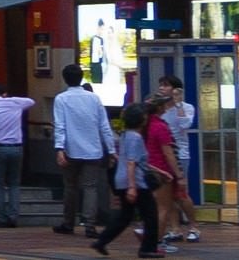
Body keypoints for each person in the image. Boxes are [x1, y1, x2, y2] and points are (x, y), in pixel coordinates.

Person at [53, 64, 117, 238]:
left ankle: (68, 223)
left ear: (65, 78)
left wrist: (59, 148)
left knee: (70, 187)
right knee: (91, 187)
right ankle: (90, 225)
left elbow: (60, 126)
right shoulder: (94, 99)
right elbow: (104, 126)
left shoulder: (61, 99)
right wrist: (111, 150)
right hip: (93, 150)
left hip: (70, 150)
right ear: (82, 78)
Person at [91, 102, 162, 258]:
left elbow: (134, 160)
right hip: (136, 182)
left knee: (125, 216)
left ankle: (102, 240)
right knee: (150, 214)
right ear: (141, 120)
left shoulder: (125, 135)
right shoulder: (136, 137)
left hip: (121, 180)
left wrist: (160, 171)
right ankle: (148, 248)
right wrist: (132, 187)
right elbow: (132, 162)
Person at [0, 82, 35, 227]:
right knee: (14, 184)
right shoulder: (15, 104)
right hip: (17, 148)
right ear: (5, 94)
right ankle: (13, 216)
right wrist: (10, 99)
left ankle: (0, 217)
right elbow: (30, 101)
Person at [158, 74, 201, 243]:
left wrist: (177, 103)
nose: (162, 88)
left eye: (166, 85)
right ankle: (175, 228)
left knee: (181, 193)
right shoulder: (159, 108)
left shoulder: (186, 107)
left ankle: (193, 226)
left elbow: (185, 124)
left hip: (180, 154)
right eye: (161, 85)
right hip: (162, 155)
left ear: (175, 89)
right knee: (168, 195)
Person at [142, 93, 181, 251]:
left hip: (149, 169)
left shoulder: (147, 124)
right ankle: (157, 242)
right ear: (159, 107)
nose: (166, 105)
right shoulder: (161, 126)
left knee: (155, 207)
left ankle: (152, 239)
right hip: (162, 171)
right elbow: (168, 153)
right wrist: (178, 174)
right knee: (163, 208)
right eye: (163, 104)